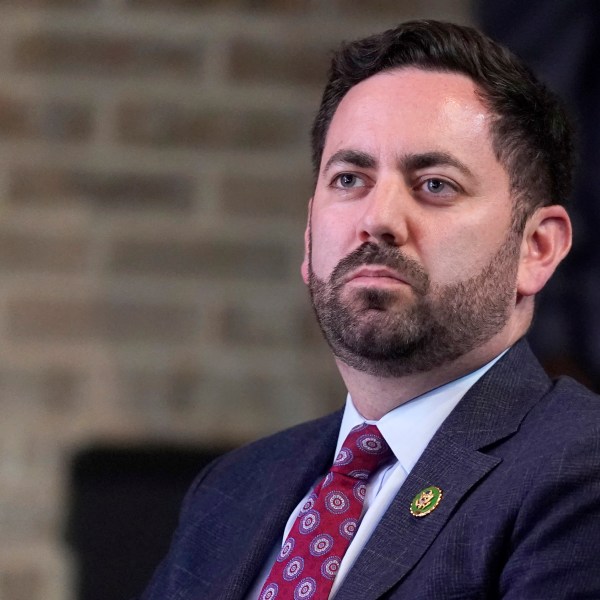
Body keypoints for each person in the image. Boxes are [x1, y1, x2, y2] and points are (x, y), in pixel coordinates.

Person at [138, 20, 600, 600]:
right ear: (309, 236)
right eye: (350, 178)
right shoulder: (232, 488)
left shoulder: (577, 473)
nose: (377, 218)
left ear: (537, 248)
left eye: (434, 184)